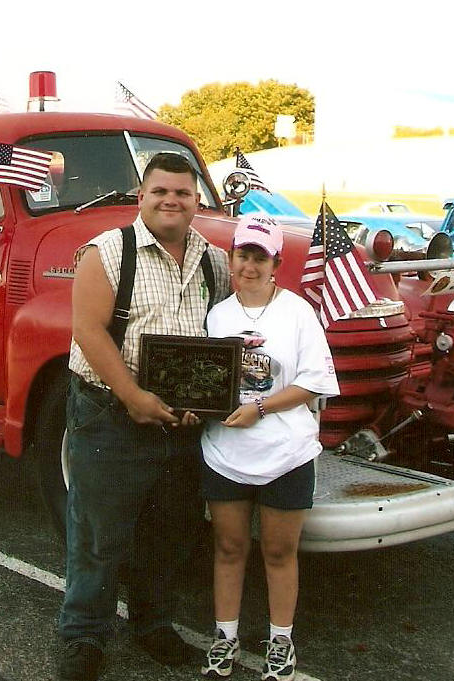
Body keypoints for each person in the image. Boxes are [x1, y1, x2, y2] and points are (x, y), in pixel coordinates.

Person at [58, 152, 231, 681]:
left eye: (182, 192)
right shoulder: (108, 253)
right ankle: (83, 638)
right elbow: (87, 330)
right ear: (142, 197)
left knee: (170, 530)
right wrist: (133, 396)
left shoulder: (214, 260)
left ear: (197, 200)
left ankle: (154, 625)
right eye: (160, 191)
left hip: (180, 423)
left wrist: (206, 404)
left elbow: (220, 337)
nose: (171, 201)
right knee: (99, 533)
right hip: (110, 413)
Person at [198, 216, 339, 680]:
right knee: (229, 546)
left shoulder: (297, 312)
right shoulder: (218, 316)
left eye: (261, 257)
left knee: (279, 553)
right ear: (232, 257)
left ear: (277, 262)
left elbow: (313, 383)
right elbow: (204, 380)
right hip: (225, 452)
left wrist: (260, 409)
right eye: (243, 255)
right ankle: (225, 636)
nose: (250, 265)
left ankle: (281, 641)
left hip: (286, 453)